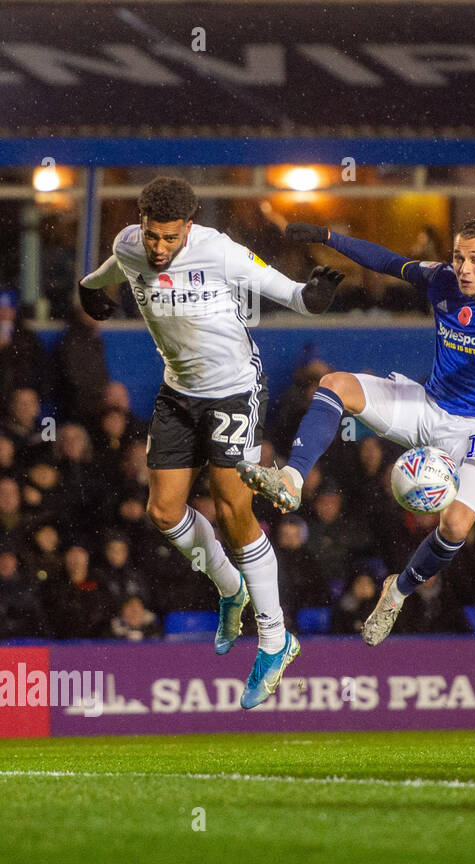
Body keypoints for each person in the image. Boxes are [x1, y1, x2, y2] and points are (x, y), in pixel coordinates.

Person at [78, 176, 344, 707]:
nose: (158, 248)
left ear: (189, 229)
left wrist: (312, 295)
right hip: (178, 393)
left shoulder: (219, 251)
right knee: (163, 511)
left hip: (234, 391)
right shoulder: (130, 245)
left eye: (168, 238)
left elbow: (290, 293)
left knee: (231, 507)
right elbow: (113, 267)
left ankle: (274, 637)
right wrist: (90, 288)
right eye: (152, 236)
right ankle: (230, 587)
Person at [236, 217, 475, 646]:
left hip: (473, 430)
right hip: (426, 405)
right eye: (458, 257)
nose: (465, 268)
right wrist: (328, 237)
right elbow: (388, 262)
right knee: (334, 384)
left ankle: (396, 592)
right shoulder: (443, 279)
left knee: (455, 527)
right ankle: (292, 478)